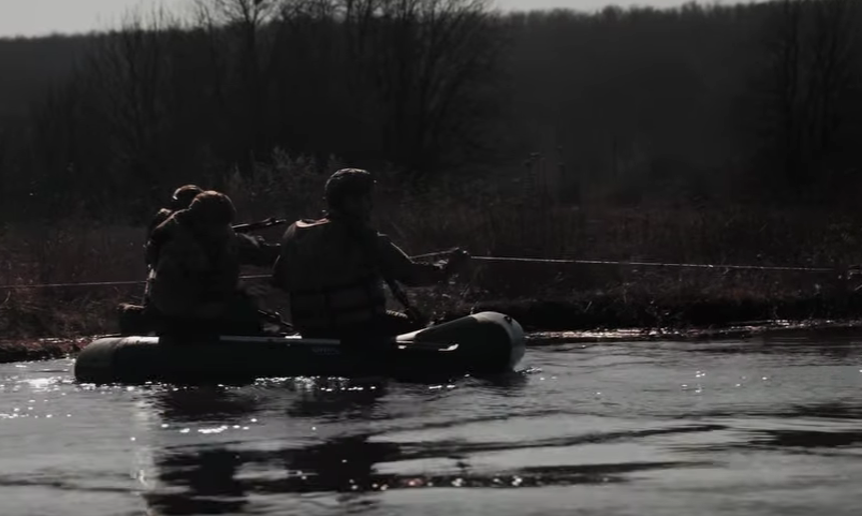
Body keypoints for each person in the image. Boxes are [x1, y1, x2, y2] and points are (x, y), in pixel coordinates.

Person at [271, 168, 470, 342]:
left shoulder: (298, 235)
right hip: (360, 332)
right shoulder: (362, 236)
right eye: (367, 198)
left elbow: (279, 279)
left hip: (311, 332)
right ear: (350, 201)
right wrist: (449, 267)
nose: (370, 205)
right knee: (421, 325)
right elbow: (412, 276)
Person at [144, 190, 281, 336]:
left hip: (211, 305)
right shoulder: (178, 246)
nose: (223, 229)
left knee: (246, 307)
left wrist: (285, 251)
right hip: (181, 314)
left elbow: (252, 251)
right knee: (241, 312)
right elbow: (171, 298)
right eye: (219, 224)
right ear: (200, 221)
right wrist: (213, 305)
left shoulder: (219, 233)